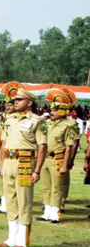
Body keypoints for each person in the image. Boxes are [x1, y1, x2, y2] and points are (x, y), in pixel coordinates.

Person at [0, 85, 46, 247]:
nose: (15, 102)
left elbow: (42, 146)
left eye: (19, 100)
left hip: (25, 161)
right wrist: (2, 166)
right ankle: (11, 238)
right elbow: (3, 144)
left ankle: (22, 241)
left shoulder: (36, 121)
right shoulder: (9, 120)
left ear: (29, 102)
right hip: (9, 161)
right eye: (15, 100)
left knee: (24, 201)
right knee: (10, 200)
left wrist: (37, 170)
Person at [36, 89, 77, 224]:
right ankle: (46, 212)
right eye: (51, 109)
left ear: (62, 111)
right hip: (46, 159)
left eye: (55, 110)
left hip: (58, 159)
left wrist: (66, 164)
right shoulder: (47, 124)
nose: (51, 112)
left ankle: (55, 213)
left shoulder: (68, 125)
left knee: (57, 188)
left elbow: (69, 146)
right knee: (46, 187)